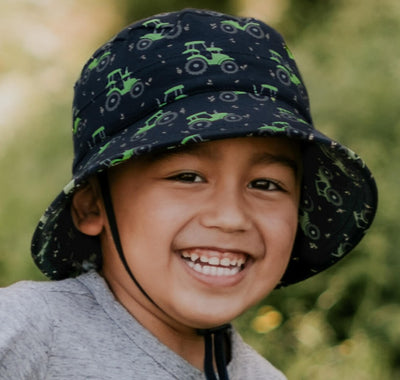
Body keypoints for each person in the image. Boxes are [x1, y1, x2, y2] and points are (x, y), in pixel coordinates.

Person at [0, 8, 377, 380]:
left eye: (265, 184)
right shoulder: (27, 332)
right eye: (187, 176)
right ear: (91, 205)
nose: (230, 217)